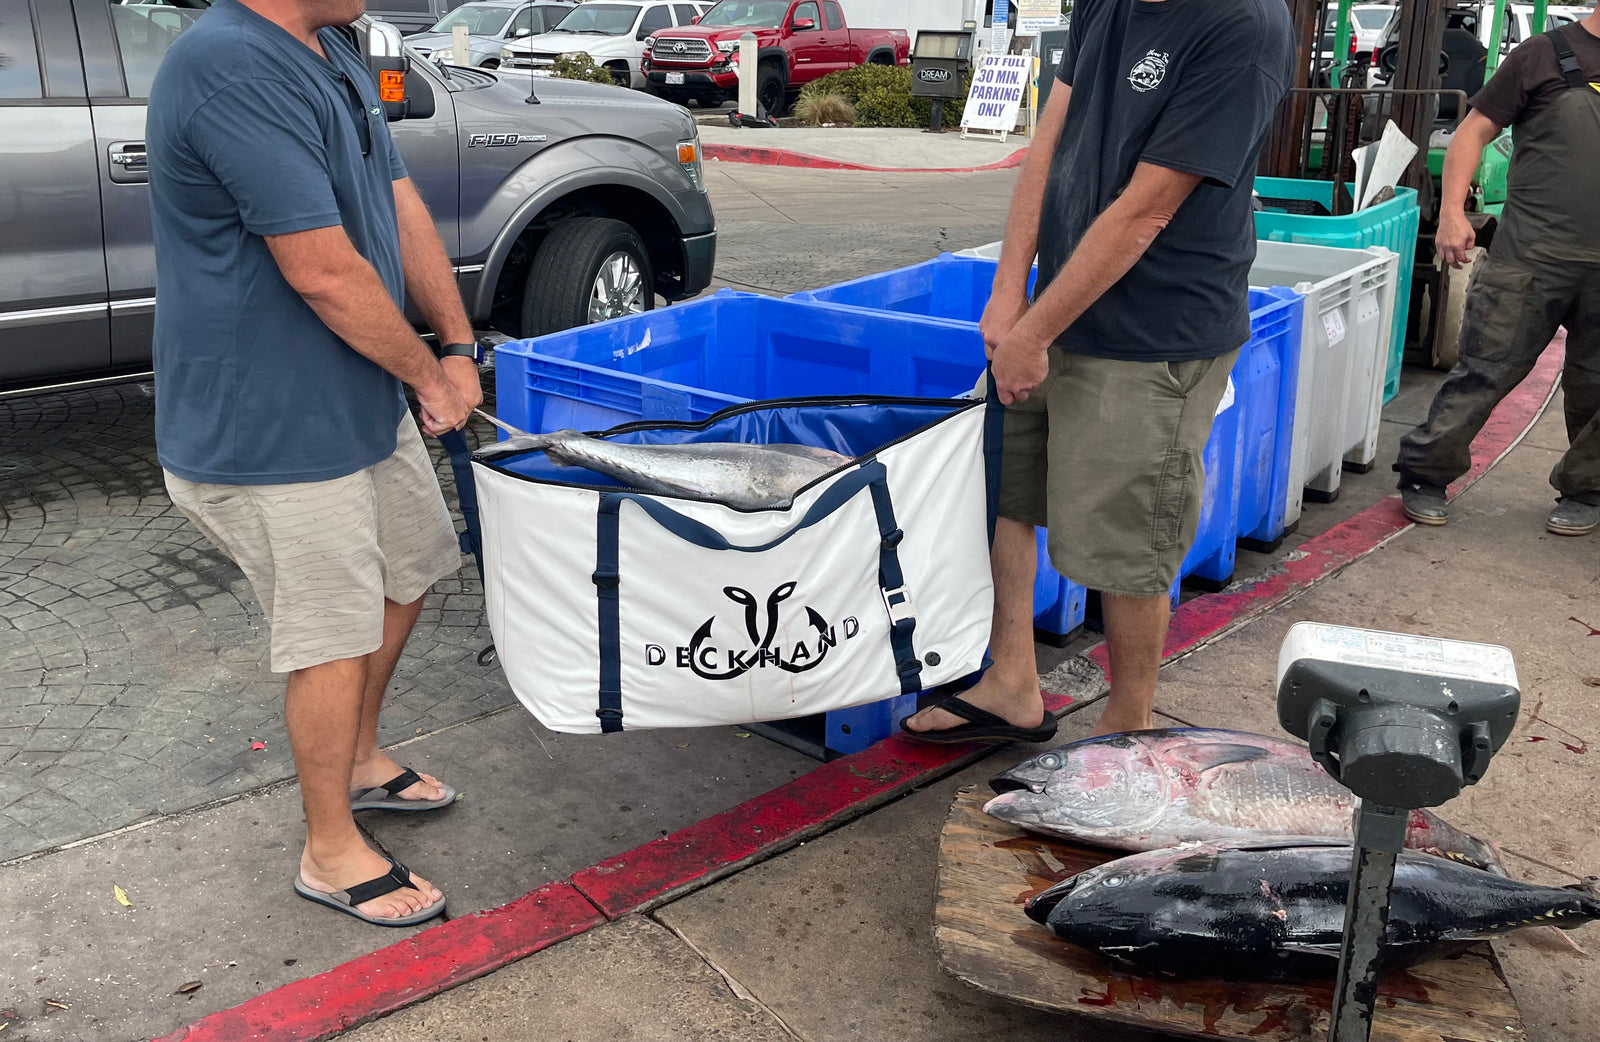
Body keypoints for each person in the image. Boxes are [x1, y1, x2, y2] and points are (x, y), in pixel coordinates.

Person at [147, 0, 484, 926]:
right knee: (331, 634)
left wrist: (455, 345)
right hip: (269, 423)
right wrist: (427, 374)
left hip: (354, 393)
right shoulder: (229, 66)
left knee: (411, 568)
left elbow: (396, 200)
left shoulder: (333, 46)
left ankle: (363, 758)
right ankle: (330, 850)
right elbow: (323, 270)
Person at [902, 0, 1292, 742]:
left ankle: (1129, 725)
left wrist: (1034, 331)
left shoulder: (1242, 25)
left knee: (1127, 539)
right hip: (1061, 297)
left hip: (1158, 329)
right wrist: (1009, 288)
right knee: (1006, 490)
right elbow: (1049, 144)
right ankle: (1013, 680)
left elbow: (1147, 210)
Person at [1396, 10, 1600, 536]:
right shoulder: (1543, 53)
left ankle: (1587, 488)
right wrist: (1451, 212)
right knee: (1487, 369)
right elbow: (1472, 133)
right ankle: (1425, 473)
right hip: (1531, 254)